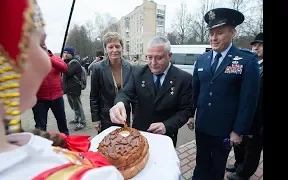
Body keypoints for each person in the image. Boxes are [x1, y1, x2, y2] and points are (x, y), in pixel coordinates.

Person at [0, 1, 124, 179]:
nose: (47, 60)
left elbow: (63, 68)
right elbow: (93, 95)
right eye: (40, 44)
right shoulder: (96, 176)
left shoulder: (130, 67)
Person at [186, 8, 260, 180]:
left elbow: (248, 100)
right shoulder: (202, 60)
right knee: (201, 161)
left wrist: (238, 130)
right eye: (211, 33)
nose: (213, 38)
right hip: (203, 125)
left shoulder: (246, 60)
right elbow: (195, 90)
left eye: (219, 33)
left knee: (217, 166)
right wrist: (190, 114)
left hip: (225, 128)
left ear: (233, 33)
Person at [109, 36, 193, 147]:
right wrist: (119, 104)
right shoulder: (138, 72)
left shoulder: (184, 78)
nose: (153, 63)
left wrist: (166, 125)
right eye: (149, 57)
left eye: (159, 58)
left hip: (166, 136)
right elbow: (125, 93)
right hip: (139, 134)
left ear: (170, 56)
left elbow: (186, 110)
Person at [225, 32, 263, 180]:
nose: (256, 48)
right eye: (254, 45)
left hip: (258, 119)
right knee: (239, 145)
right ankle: (238, 165)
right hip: (243, 116)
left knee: (252, 149)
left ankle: (244, 174)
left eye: (260, 45)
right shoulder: (246, 63)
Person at [90, 32, 138, 133]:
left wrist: (135, 112)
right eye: (110, 47)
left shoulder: (130, 67)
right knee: (107, 144)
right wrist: (96, 119)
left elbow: (134, 93)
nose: (114, 50)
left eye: (117, 46)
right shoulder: (97, 68)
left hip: (124, 114)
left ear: (122, 48)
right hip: (105, 116)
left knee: (125, 142)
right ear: (105, 49)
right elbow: (94, 96)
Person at [31, 42, 69, 135]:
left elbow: (64, 68)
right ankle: (42, 145)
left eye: (43, 43)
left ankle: (67, 142)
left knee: (62, 123)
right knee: (41, 126)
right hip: (40, 99)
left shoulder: (55, 58)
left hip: (57, 97)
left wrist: (48, 60)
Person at [62, 46, 86, 131]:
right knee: (73, 105)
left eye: (67, 53)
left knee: (78, 105)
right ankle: (76, 118)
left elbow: (68, 73)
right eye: (64, 52)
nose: (65, 54)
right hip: (69, 88)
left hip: (74, 88)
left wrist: (62, 63)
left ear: (71, 54)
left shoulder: (74, 63)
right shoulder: (68, 62)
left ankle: (82, 121)